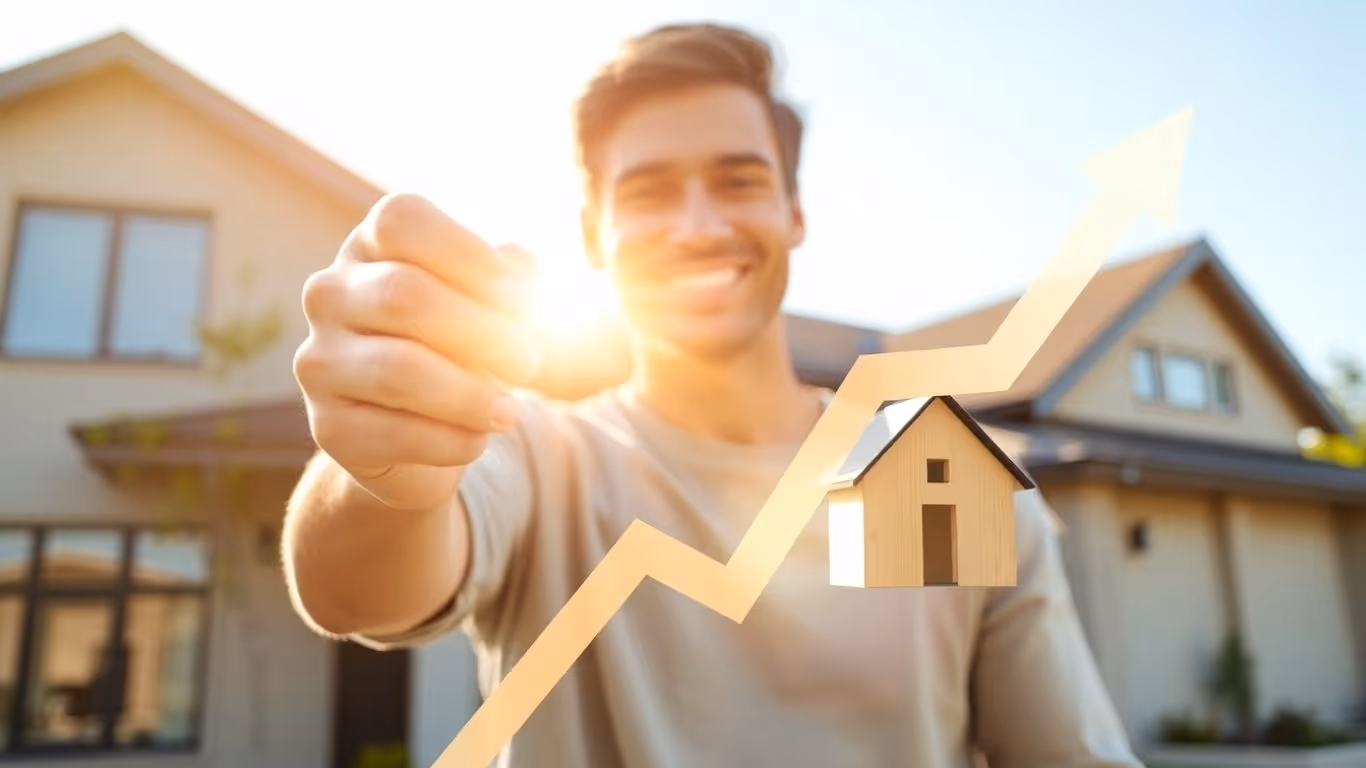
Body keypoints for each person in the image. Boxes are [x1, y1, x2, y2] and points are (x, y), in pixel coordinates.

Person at [282, 21, 1141, 767]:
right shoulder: (536, 453)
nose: (698, 227)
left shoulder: (940, 475)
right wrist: (382, 464)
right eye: (650, 192)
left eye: (737, 180)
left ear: (793, 211)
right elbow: (353, 593)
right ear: (592, 233)